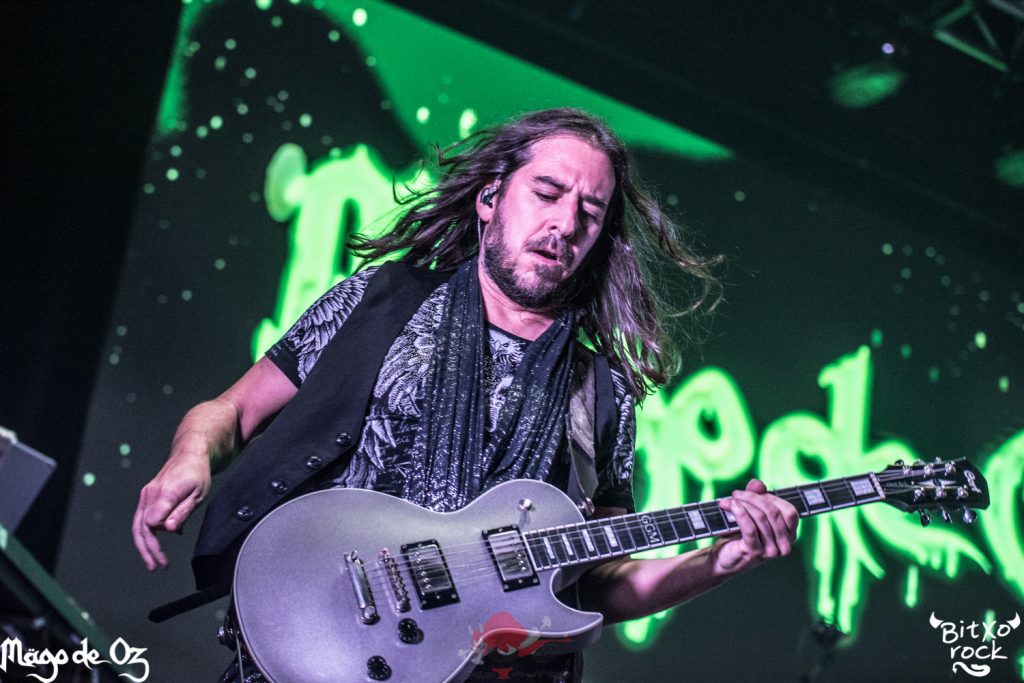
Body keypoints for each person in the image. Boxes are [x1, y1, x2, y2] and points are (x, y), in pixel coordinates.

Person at [133, 108, 798, 682]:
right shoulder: (380, 301)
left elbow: (600, 580)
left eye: (589, 212)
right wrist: (189, 456)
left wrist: (720, 560)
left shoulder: (601, 393)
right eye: (547, 192)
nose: (565, 223)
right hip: (319, 643)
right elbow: (231, 412)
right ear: (490, 198)